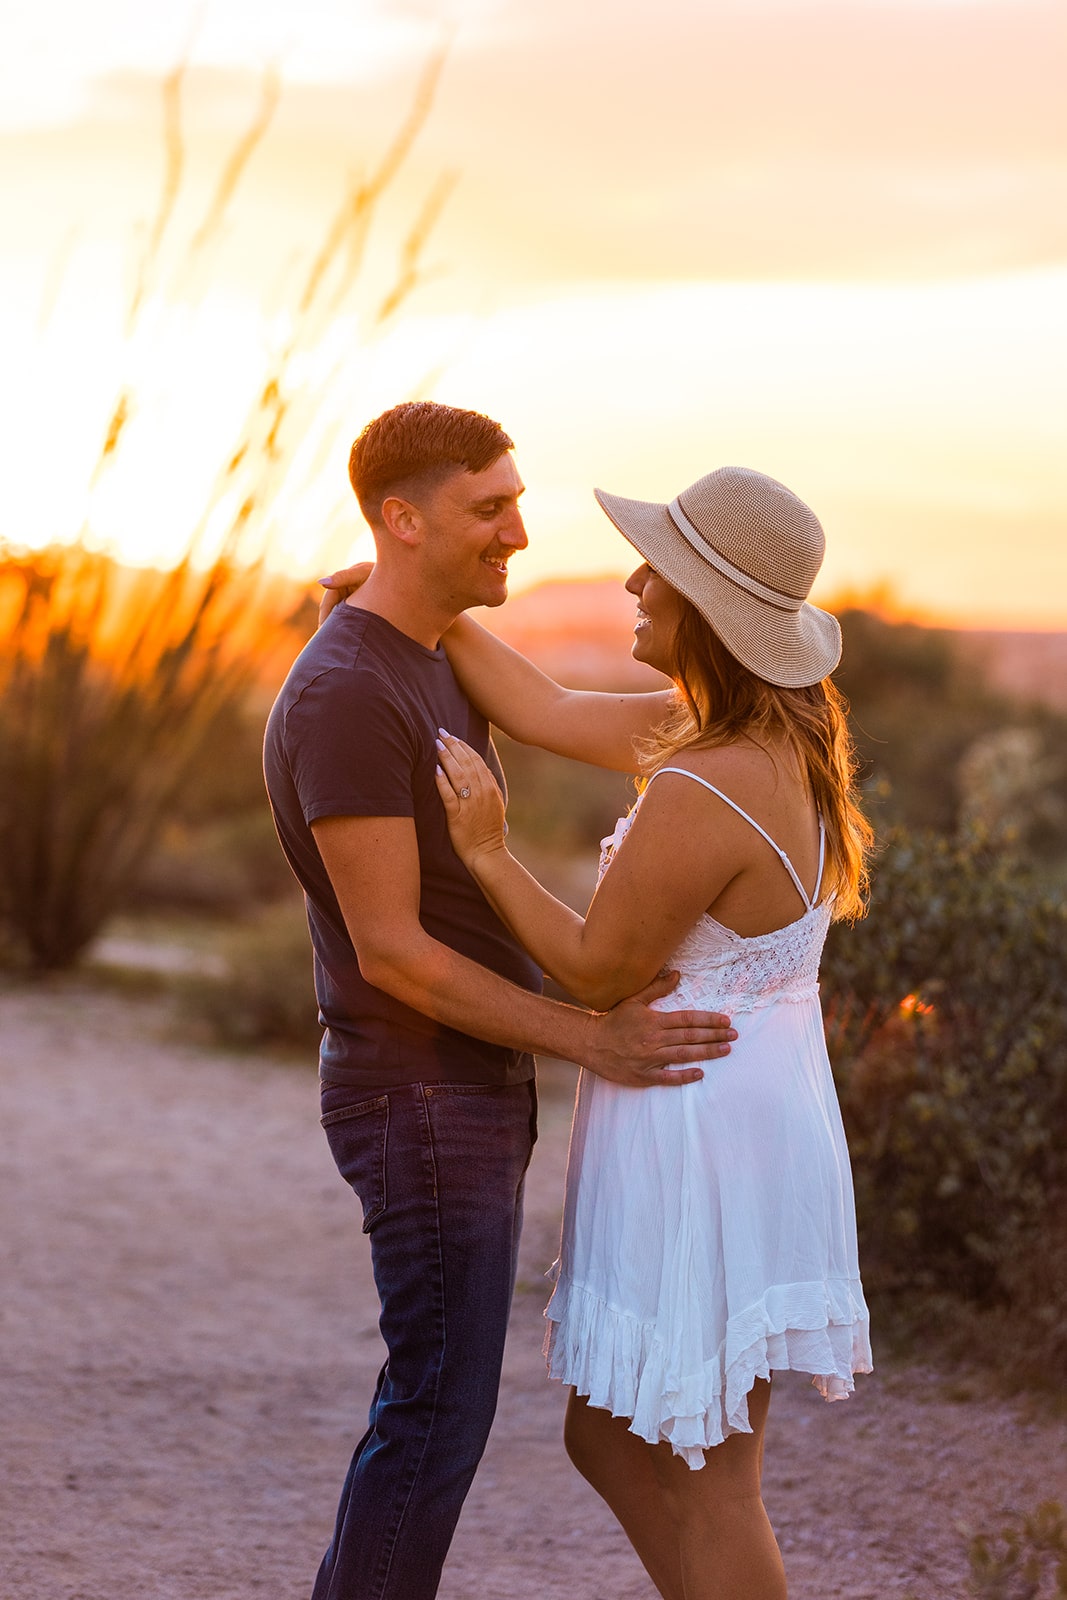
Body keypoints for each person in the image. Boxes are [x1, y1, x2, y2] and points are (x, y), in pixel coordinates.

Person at [262, 401, 737, 1600]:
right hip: (415, 1091)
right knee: (433, 1414)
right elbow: (395, 955)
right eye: (490, 507)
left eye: (515, 501)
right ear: (401, 519)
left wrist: (761, 726)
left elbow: (585, 721)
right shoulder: (347, 694)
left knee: (439, 1409)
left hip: (463, 1084)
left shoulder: (431, 650)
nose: (518, 532)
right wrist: (594, 1039)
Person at [420, 463, 874, 1600]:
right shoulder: (756, 741)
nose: (629, 578)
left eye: (655, 570)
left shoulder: (707, 782)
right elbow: (547, 709)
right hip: (742, 1105)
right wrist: (417, 609)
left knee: (710, 1472)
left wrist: (485, 853)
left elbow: (592, 971)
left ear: (706, 614)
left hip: (699, 1121)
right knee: (611, 1437)